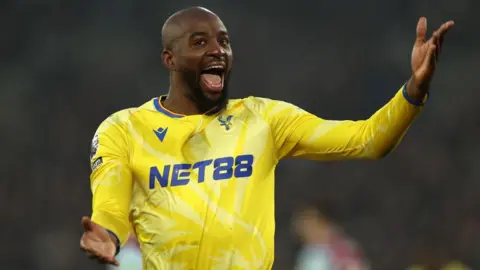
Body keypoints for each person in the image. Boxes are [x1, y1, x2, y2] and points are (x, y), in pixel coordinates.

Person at [79, 6, 454, 269]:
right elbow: (110, 203)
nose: (217, 50)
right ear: (169, 59)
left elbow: (369, 139)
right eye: (199, 42)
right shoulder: (123, 129)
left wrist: (413, 92)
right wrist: (107, 234)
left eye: (223, 41)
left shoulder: (263, 119)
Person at [293, 205, 368, 270]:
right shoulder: (310, 252)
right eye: (305, 229)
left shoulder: (345, 248)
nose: (310, 232)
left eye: (315, 226)